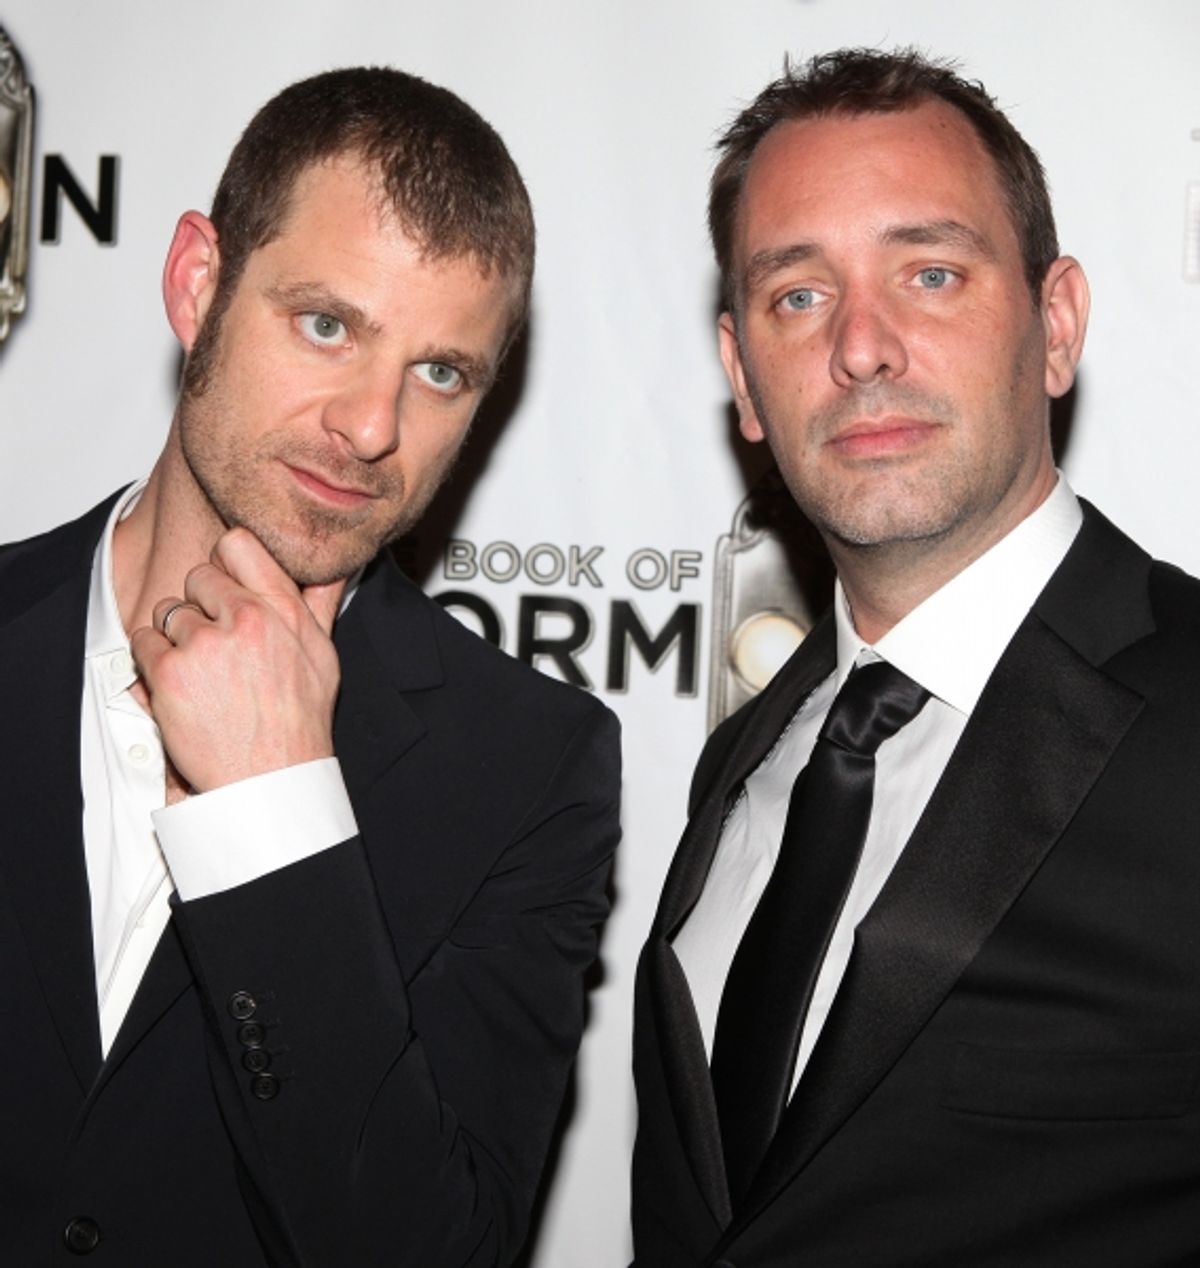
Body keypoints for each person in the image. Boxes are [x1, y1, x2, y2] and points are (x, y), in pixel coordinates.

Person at [0, 67, 619, 1266]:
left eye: (442, 371)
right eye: (328, 324)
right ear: (197, 283)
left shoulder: (530, 768)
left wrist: (273, 813)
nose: (373, 423)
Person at [631, 47, 1200, 1267]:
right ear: (742, 377)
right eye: (798, 295)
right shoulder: (750, 757)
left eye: (930, 274)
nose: (863, 346)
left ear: (1056, 327)